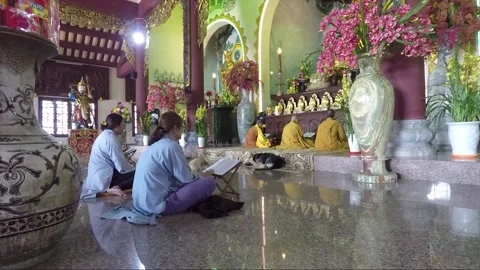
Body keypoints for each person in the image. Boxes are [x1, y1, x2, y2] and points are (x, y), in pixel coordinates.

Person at [133, 111, 216, 217]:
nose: (182, 132)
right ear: (175, 128)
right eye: (182, 128)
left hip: (140, 204)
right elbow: (186, 179)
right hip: (156, 206)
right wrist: (202, 176)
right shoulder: (171, 146)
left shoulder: (154, 146)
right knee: (209, 182)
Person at [81, 113, 135, 199]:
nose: (123, 126)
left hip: (98, 176)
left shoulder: (104, 135)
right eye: (122, 124)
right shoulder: (111, 139)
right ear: (117, 125)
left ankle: (115, 187)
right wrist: (134, 169)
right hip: (103, 179)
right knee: (138, 175)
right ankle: (116, 187)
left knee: (135, 173)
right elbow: (122, 167)